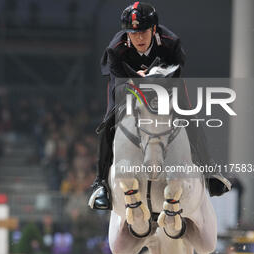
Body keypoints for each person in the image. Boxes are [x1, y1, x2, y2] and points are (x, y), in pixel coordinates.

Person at [88, 2, 231, 211]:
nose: (138, 38)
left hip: (165, 83)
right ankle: (100, 183)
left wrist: (155, 78)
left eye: (143, 32)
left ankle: (210, 174)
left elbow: (176, 71)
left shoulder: (170, 42)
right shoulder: (116, 48)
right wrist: (138, 81)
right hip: (127, 84)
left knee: (189, 116)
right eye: (132, 33)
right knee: (109, 121)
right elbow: (119, 78)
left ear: (154, 29)